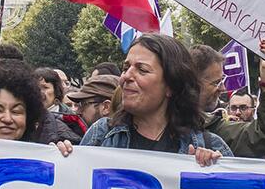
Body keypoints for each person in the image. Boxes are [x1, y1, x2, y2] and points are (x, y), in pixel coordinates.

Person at [79, 34, 229, 164]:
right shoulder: (101, 134)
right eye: (126, 68)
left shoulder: (210, 146)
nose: (126, 76)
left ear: (171, 85)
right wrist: (62, 160)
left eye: (142, 70)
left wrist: (216, 174)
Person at [190, 39, 265, 157]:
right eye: (216, 82)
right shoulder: (166, 123)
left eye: (222, 80)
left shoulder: (213, 129)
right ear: (192, 83)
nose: (223, 88)